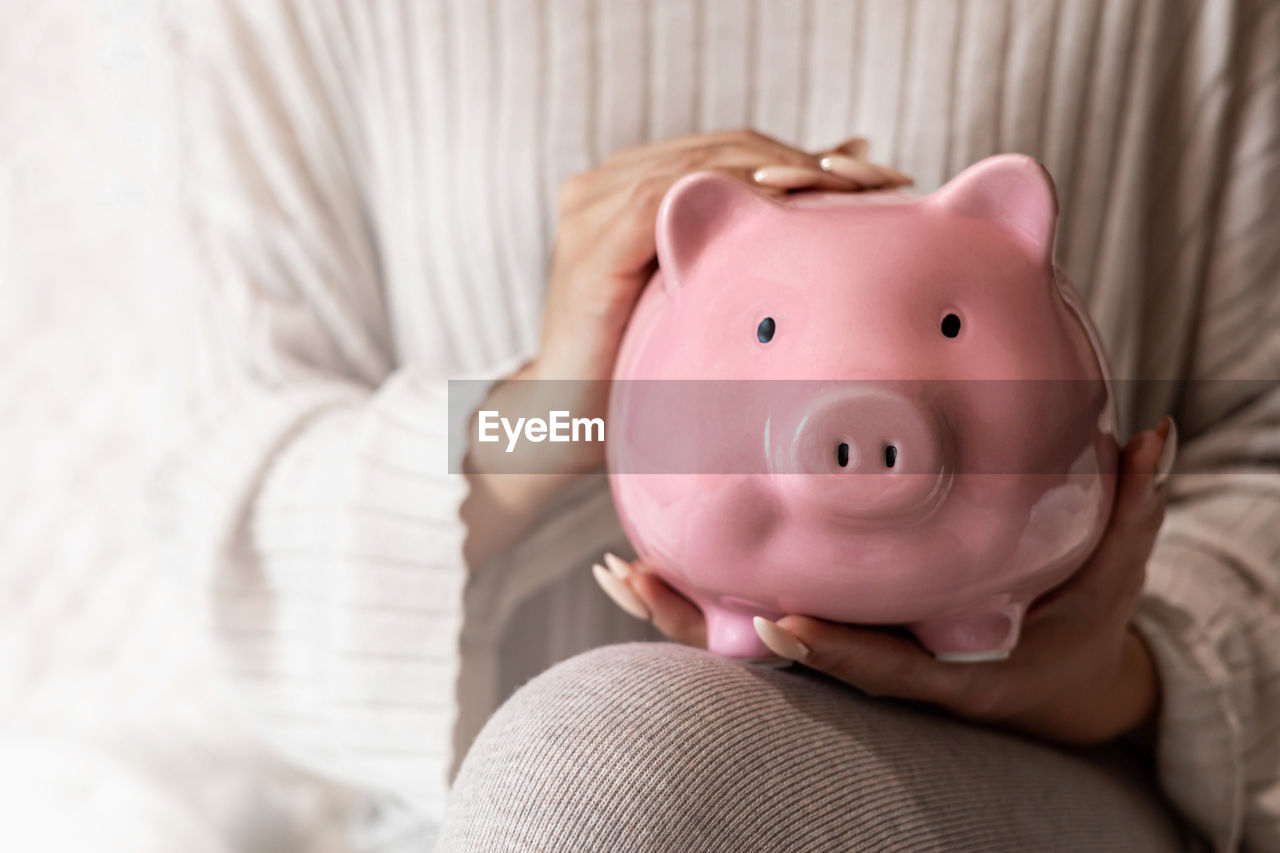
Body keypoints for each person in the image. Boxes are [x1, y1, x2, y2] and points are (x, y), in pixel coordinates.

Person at [156, 0, 1279, 849]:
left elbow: (1261, 447)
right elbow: (224, 498)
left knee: (619, 759)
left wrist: (1118, 673)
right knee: (605, 763)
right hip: (466, 804)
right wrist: (549, 416)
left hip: (1040, 772)